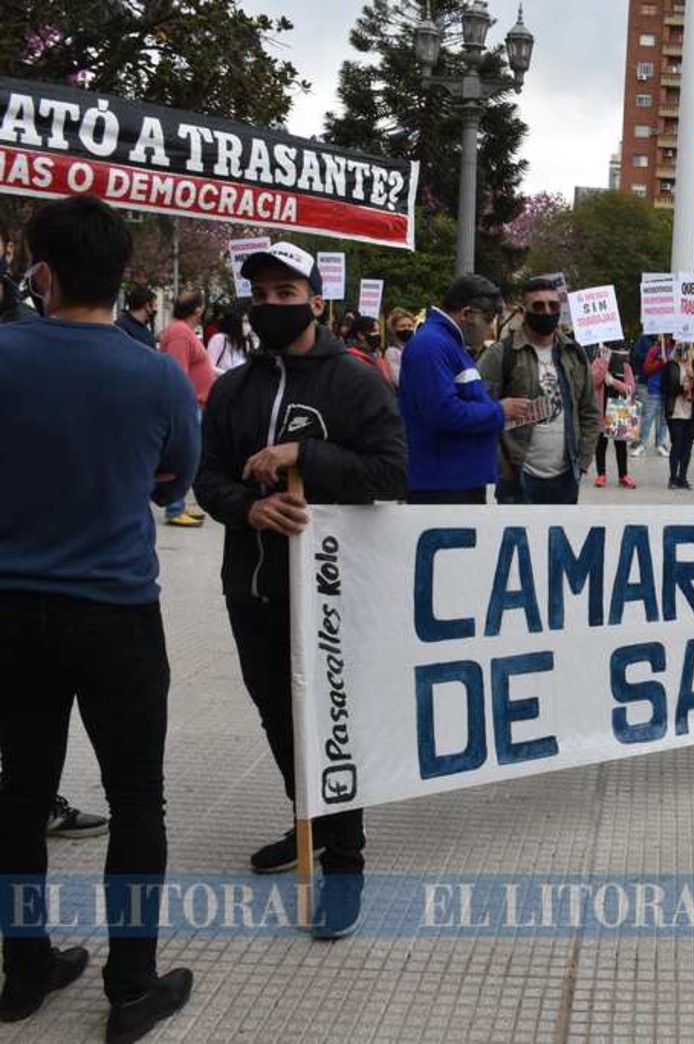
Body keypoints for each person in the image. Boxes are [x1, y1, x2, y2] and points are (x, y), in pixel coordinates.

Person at [1, 195, 198, 1039]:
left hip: (12, 611)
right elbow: (175, 477)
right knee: (137, 799)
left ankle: (24, 969)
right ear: (125, 277)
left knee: (17, 796)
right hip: (116, 611)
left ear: (40, 271)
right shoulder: (151, 372)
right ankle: (130, 985)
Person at [194, 241, 407, 938]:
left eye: (288, 294)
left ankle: (345, 862)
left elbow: (389, 474)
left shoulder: (356, 382)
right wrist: (247, 507)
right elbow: (209, 478)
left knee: (329, 728)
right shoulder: (233, 388)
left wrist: (303, 456)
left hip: (330, 597)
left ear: (318, 302)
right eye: (263, 294)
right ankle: (306, 825)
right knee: (280, 723)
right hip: (252, 588)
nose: (273, 305)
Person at [399, 274, 529, 504]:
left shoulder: (448, 344)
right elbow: (443, 412)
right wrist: (499, 411)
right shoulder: (431, 345)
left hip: (457, 481)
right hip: (442, 486)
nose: (489, 330)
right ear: (467, 313)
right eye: (488, 320)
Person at [478, 276, 599, 504]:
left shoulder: (574, 353)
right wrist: (501, 465)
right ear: (524, 311)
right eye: (538, 306)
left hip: (566, 478)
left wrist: (582, 462)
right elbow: (478, 408)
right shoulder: (501, 353)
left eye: (553, 305)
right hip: (518, 479)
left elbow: (590, 412)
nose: (546, 311)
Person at [158, 291, 216, 527]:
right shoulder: (181, 333)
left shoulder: (182, 331)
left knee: (191, 456)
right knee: (184, 456)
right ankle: (174, 507)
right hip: (188, 406)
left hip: (193, 405)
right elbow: (178, 372)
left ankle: (177, 503)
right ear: (198, 309)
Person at [662, 342, 694, 490]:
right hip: (676, 411)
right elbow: (664, 387)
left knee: (687, 446)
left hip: (692, 412)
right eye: (680, 348)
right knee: (677, 444)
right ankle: (673, 477)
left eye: (686, 347)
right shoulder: (671, 365)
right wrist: (681, 388)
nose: (683, 351)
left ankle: (683, 477)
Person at [591, 342, 638, 489]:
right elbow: (592, 381)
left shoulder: (625, 366)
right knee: (600, 444)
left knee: (621, 445)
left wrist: (613, 382)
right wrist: (603, 362)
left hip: (619, 410)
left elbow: (630, 389)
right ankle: (601, 474)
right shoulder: (598, 362)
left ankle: (623, 475)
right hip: (602, 409)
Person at [205, 308, 251, 374]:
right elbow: (208, 366)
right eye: (245, 321)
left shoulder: (245, 344)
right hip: (221, 383)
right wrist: (230, 376)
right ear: (236, 322)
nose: (249, 326)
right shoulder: (219, 339)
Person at [383, 307, 417, 386]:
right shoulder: (392, 352)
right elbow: (398, 380)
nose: (407, 329)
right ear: (394, 329)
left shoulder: (416, 347)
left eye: (410, 326)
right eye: (402, 326)